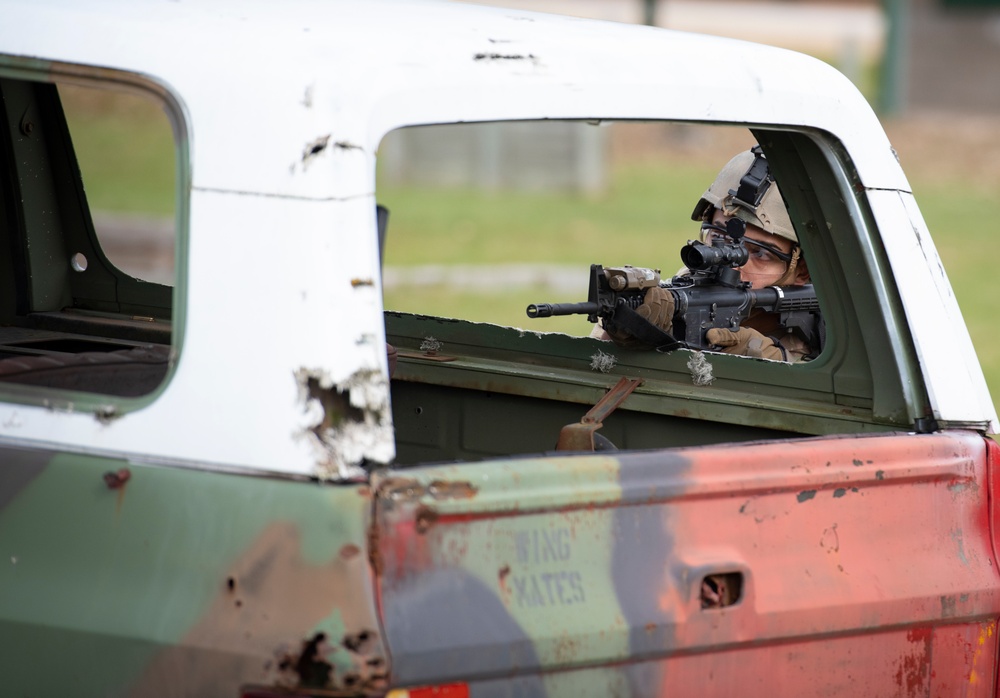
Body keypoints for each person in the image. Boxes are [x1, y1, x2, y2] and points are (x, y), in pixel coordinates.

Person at [598, 146, 819, 362]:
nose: (732, 266)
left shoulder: (834, 327)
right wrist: (629, 333)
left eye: (760, 253)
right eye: (718, 237)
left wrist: (780, 362)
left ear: (802, 270)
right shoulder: (665, 300)